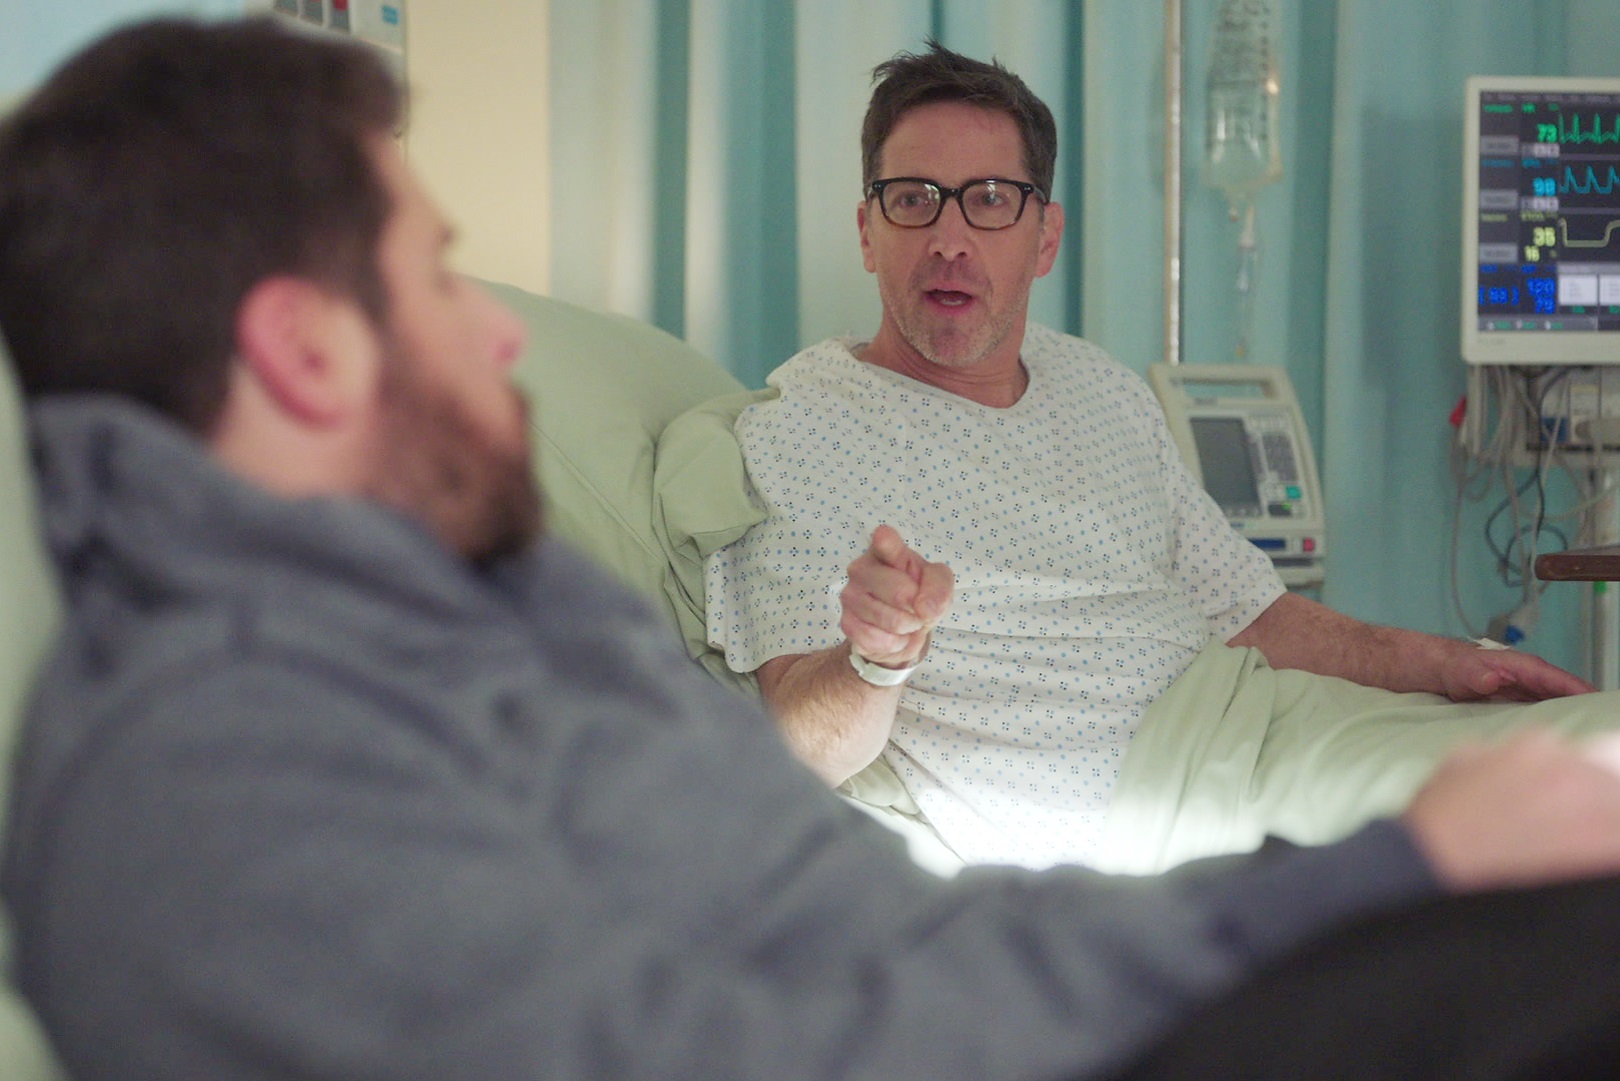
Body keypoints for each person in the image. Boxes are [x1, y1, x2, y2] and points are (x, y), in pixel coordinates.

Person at [7, 17, 1620, 1081]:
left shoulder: (492, 600)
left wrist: (1343, 875)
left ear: (1041, 233)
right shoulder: (217, 781)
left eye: (988, 203)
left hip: (1011, 983)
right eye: (439, 278)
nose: (500, 339)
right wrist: (1371, 885)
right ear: (305, 353)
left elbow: (859, 926)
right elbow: (772, 1044)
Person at [704, 42, 1620, 871]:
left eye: (990, 200)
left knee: (1587, 741)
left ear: (1045, 238)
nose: (949, 238)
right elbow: (800, 743)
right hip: (1154, 795)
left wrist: (1447, 663)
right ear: (868, 230)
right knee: (1566, 808)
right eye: (913, 200)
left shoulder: (1095, 385)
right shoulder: (806, 424)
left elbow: (1253, 614)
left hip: (1258, 712)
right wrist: (878, 658)